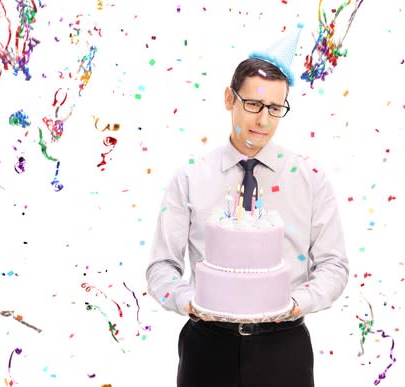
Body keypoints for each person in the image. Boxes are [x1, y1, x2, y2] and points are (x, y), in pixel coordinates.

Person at [146, 27, 349, 387]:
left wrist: (295, 303)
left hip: (283, 347)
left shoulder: (310, 179)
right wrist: (190, 301)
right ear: (229, 98)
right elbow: (161, 267)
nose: (263, 120)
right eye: (253, 104)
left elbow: (334, 266)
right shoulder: (190, 177)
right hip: (207, 347)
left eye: (275, 108)